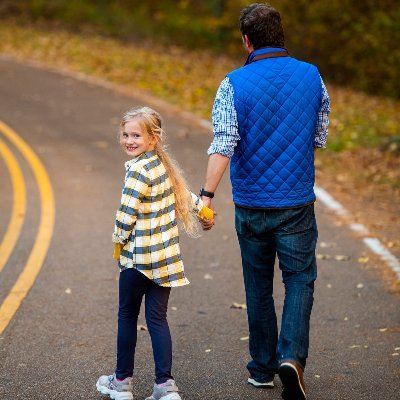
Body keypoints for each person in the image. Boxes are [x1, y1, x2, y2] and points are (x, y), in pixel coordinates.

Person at [200, 4, 330, 400]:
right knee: (300, 280)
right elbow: (319, 134)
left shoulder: (232, 84)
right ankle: (292, 357)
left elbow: (223, 143)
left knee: (257, 286)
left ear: (247, 40)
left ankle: (261, 368)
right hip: (295, 203)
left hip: (252, 205)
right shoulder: (312, 76)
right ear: (281, 35)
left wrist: (206, 195)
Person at [96, 106, 214, 400]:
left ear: (154, 138)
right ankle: (165, 385)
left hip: (137, 261)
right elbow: (186, 196)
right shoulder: (163, 167)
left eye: (136, 135)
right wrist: (205, 213)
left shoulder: (137, 170)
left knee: (126, 316)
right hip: (165, 262)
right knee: (158, 320)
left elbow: (126, 214)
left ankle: (121, 382)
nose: (129, 140)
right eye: (125, 134)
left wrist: (117, 242)